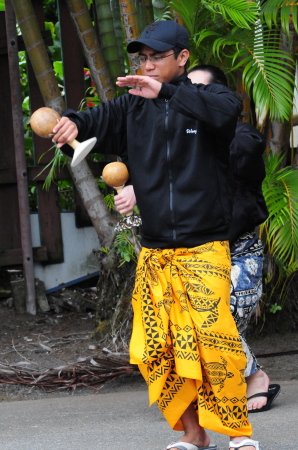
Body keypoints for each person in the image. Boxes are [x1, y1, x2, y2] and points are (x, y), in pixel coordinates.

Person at [52, 20, 260, 450]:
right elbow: (94, 119)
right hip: (157, 251)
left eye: (156, 57)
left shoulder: (208, 98)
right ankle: (193, 434)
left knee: (214, 343)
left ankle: (238, 434)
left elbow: (226, 114)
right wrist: (72, 122)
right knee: (157, 350)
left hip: (205, 247)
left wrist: (165, 92)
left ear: (182, 59)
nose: (146, 65)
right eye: (142, 58)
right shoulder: (131, 108)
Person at [115, 64, 280, 415]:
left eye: (198, 93)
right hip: (184, 257)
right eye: (182, 90)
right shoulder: (167, 140)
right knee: (174, 327)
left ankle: (255, 378)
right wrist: (137, 186)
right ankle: (203, 399)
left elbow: (229, 159)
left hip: (237, 255)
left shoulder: (243, 137)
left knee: (217, 321)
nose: (186, 98)